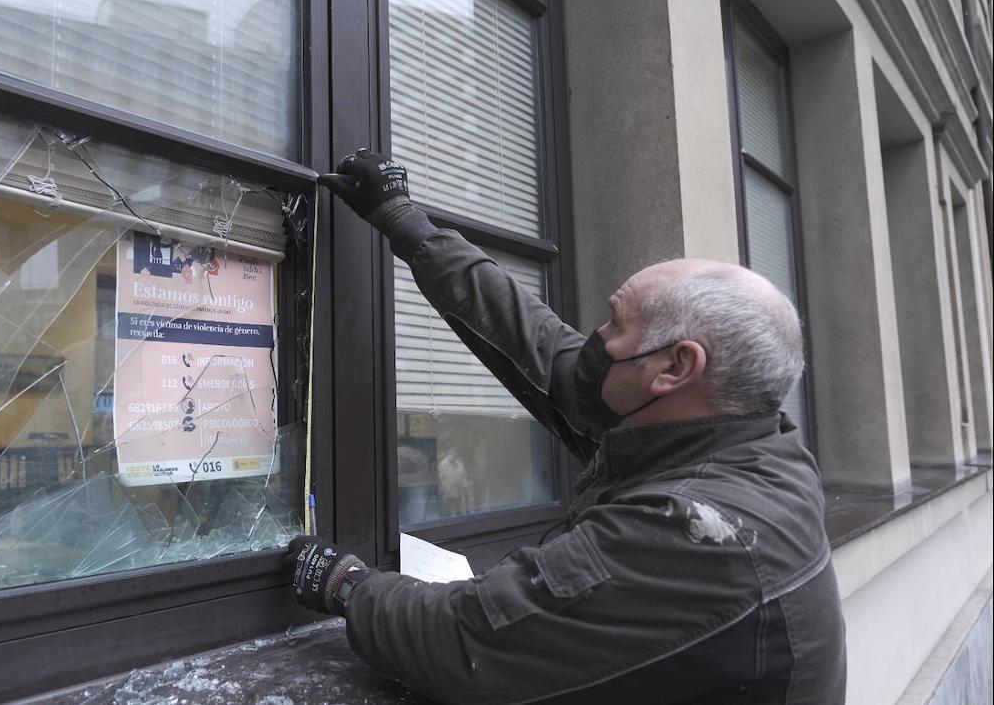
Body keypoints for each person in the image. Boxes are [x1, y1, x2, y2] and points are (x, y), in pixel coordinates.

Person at [285, 150, 846, 704]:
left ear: (675, 368)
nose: (597, 335)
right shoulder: (740, 438)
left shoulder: (694, 534)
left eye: (615, 323)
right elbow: (536, 341)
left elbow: (468, 640)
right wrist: (405, 223)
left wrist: (348, 585)